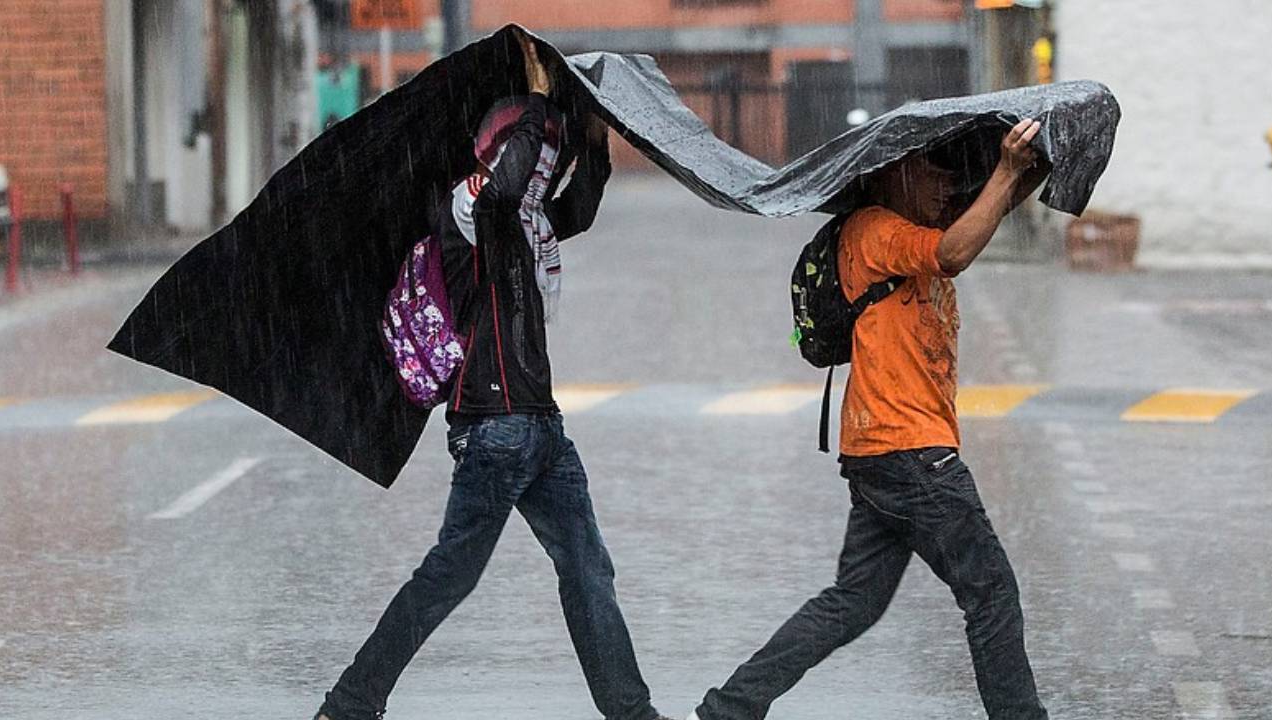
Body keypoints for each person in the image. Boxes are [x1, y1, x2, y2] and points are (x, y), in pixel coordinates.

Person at [317, 32, 673, 720]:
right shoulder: (470, 210)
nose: (543, 166)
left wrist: (592, 134)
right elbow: (510, 188)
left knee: (588, 570)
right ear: (501, 149)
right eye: (534, 152)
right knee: (448, 574)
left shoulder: (528, 223)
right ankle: (351, 701)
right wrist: (541, 104)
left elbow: (581, 207)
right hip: (492, 429)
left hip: (542, 432)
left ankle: (634, 714)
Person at [689, 119, 1052, 720]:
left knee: (853, 602)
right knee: (991, 593)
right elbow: (955, 253)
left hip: (877, 453)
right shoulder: (876, 232)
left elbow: (984, 212)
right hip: (912, 454)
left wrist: (1028, 166)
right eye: (935, 173)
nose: (948, 188)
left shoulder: (909, 223)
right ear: (896, 171)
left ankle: (730, 708)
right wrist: (1009, 172)